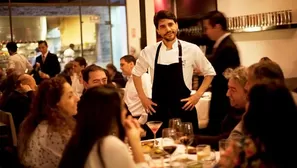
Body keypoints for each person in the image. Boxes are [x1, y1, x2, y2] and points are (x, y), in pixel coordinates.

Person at [132, 10, 216, 136]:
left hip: (184, 109)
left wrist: (197, 95)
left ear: (176, 25)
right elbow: (136, 73)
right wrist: (143, 98)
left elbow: (209, 73)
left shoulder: (191, 49)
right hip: (158, 111)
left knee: (187, 149)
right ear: (158, 31)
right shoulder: (149, 51)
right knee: (157, 150)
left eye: (171, 24)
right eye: (163, 26)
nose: (168, 29)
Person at [59, 86, 149, 168]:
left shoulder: (79, 139)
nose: (125, 111)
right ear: (110, 113)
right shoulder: (108, 144)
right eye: (121, 108)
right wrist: (134, 140)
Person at [18, 77, 80, 168]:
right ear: (56, 103)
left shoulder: (41, 123)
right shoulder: (57, 131)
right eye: (70, 96)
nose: (77, 98)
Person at [203, 11, 240, 135]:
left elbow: (226, 76)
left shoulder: (228, 47)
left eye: (207, 28)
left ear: (217, 26)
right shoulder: (221, 45)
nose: (206, 32)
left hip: (223, 100)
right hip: (220, 98)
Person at [194, 66, 247, 149]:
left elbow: (226, 140)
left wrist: (194, 139)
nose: (227, 94)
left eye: (233, 90)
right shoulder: (234, 109)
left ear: (247, 91)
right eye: (228, 88)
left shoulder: (249, 116)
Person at [120, 55, 151, 125]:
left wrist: (140, 122)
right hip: (130, 118)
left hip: (139, 120)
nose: (120, 68)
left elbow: (148, 99)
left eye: (122, 65)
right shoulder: (129, 81)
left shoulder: (144, 77)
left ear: (131, 64)